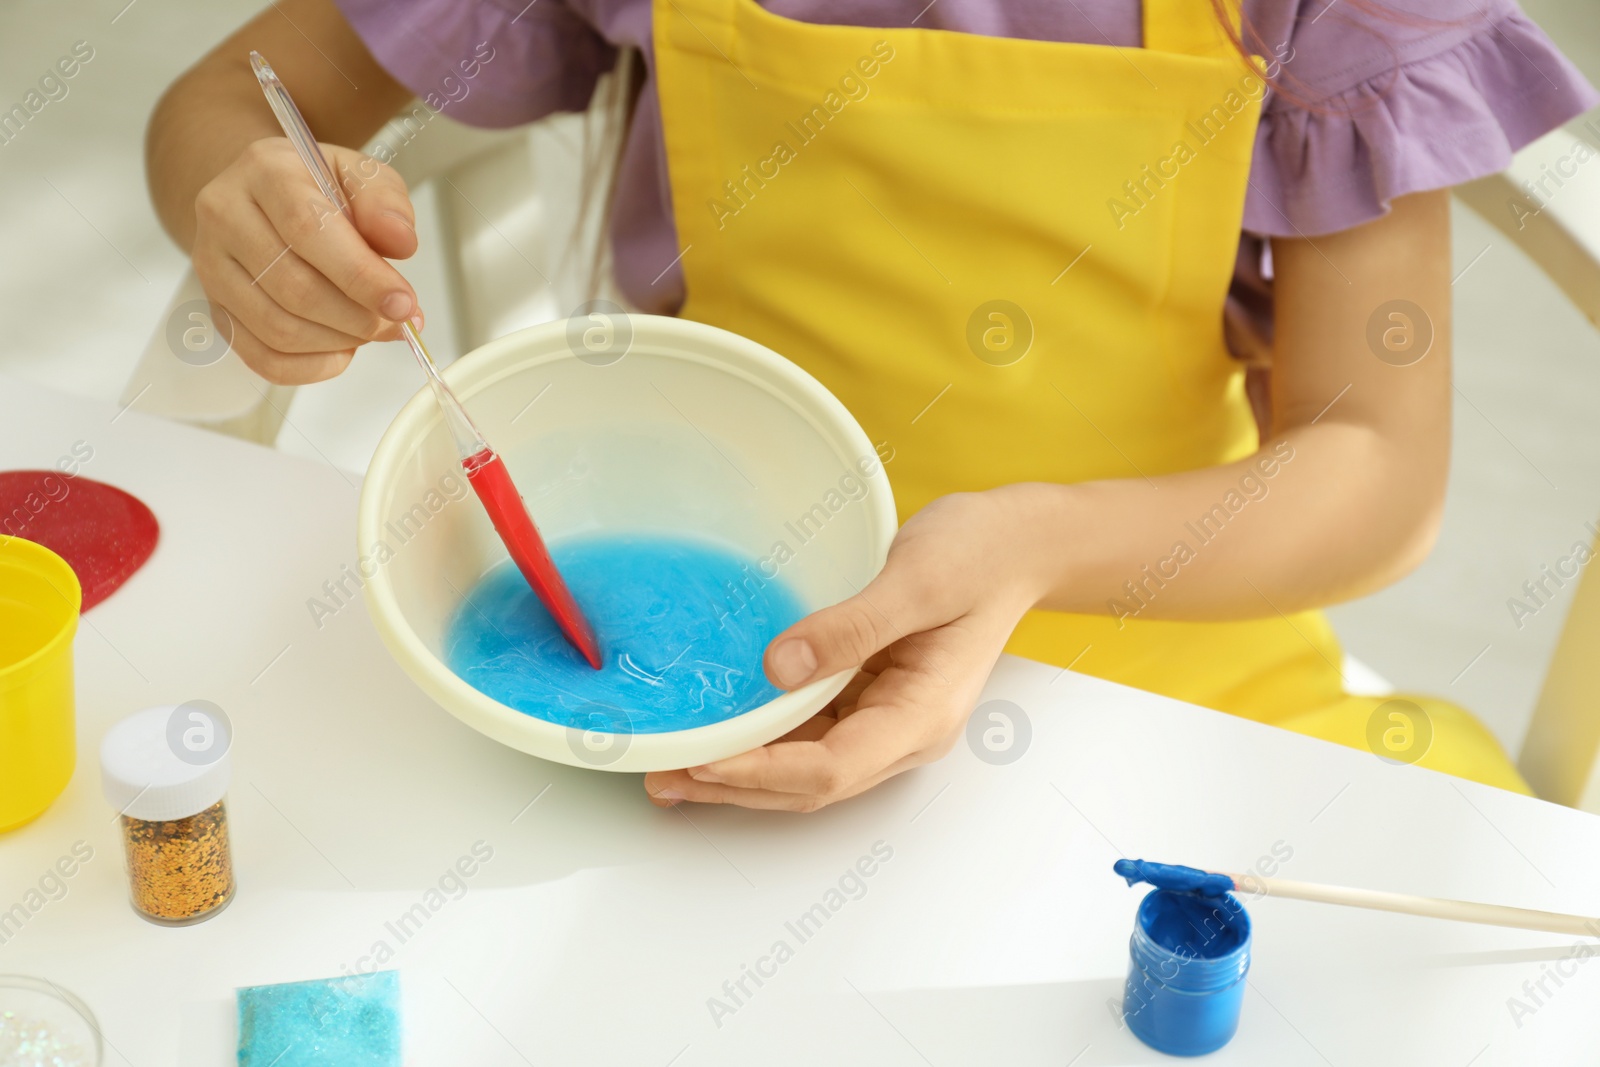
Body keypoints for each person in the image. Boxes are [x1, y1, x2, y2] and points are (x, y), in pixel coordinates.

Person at [146, 0, 1598, 811]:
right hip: (711, 670)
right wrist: (249, 208)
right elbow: (228, 99)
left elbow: (1377, 469)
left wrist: (1030, 544)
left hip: (1166, 662)